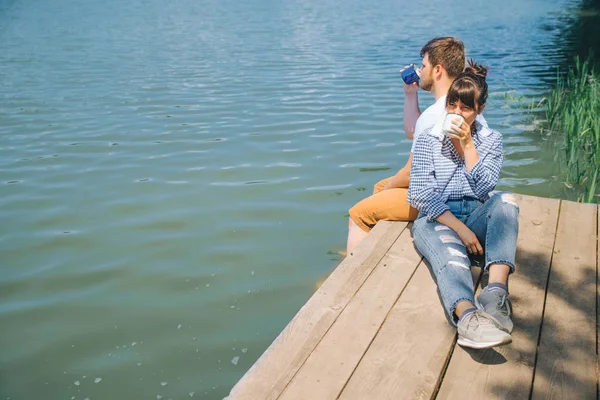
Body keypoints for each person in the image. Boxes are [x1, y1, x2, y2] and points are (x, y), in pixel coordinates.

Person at [408, 61, 519, 349]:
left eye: (465, 108)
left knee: (506, 201)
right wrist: (460, 229)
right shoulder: (427, 140)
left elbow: (485, 188)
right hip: (437, 219)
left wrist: (469, 145)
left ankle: (495, 293)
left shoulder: (491, 140)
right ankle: (468, 318)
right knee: (453, 260)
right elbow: (419, 194)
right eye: (452, 105)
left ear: (479, 110)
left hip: (476, 212)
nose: (456, 113)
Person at [346, 37, 488, 254]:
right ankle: (365, 247)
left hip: (442, 199)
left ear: (438, 70)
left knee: (358, 214)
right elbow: (413, 132)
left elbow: (412, 174)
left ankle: (351, 268)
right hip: (457, 190)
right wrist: (410, 94)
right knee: (379, 188)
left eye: (423, 66)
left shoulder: (436, 113)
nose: (420, 71)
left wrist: (389, 188)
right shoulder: (462, 104)